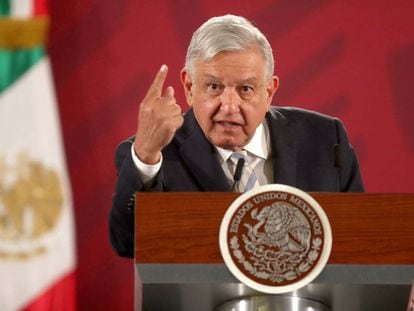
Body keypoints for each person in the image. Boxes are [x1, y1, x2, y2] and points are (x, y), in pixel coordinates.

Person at [109, 14, 364, 258]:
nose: (229, 106)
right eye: (214, 87)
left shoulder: (326, 140)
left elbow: (359, 242)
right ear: (189, 87)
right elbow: (127, 243)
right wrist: (146, 159)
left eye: (245, 89)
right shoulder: (153, 154)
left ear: (269, 91)